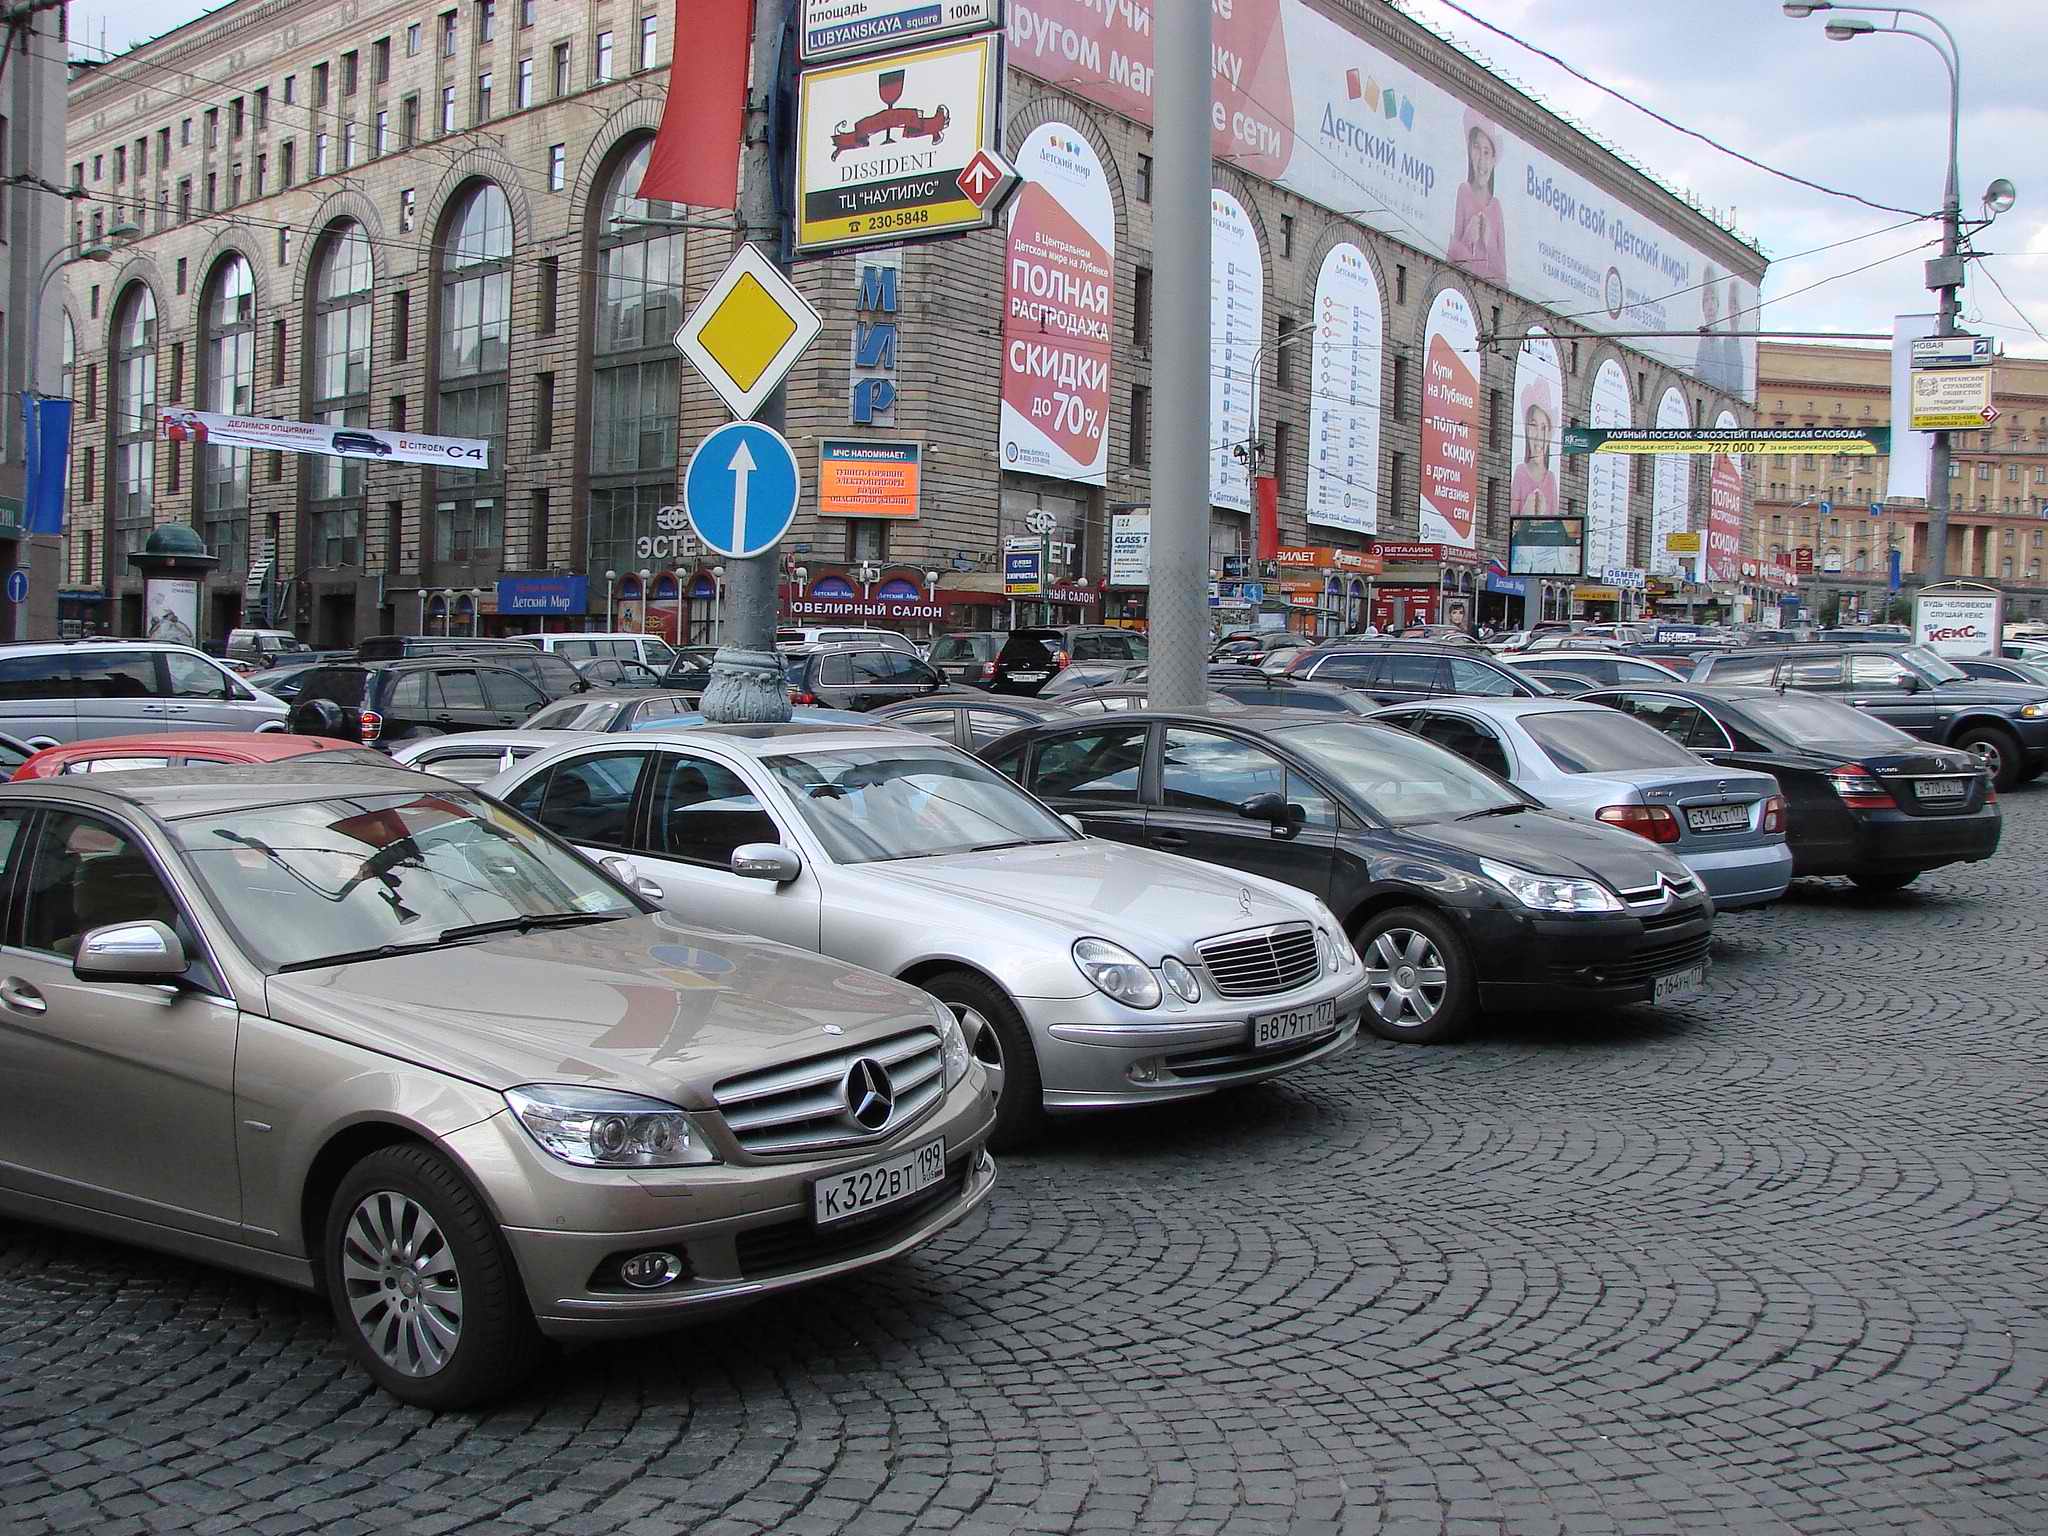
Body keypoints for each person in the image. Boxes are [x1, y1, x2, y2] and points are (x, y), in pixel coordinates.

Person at [1447, 110, 1507, 284]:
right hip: (1461, 288)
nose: (1481, 160)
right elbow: (1449, 261)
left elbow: (1503, 276)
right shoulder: (1463, 192)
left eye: (1487, 152)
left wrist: (1489, 242)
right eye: (1476, 148)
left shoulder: (1496, 207)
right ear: (1470, 151)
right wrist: (1468, 237)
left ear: (1494, 159)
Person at [1510, 376, 1559, 519]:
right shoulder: (1520, 473)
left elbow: (1555, 527)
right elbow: (1508, 526)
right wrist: (1526, 515)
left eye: (1544, 427)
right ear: (1526, 430)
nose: (1538, 436)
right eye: (1533, 425)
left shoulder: (1551, 479)